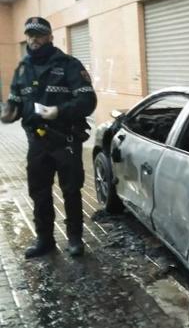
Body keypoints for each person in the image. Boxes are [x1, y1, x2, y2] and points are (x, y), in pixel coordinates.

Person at [0, 17, 96, 258]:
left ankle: (75, 239)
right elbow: (16, 101)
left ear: (50, 37)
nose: (33, 39)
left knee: (71, 191)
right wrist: (9, 113)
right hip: (37, 142)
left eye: (39, 35)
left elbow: (87, 101)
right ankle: (45, 240)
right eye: (30, 35)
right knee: (39, 192)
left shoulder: (69, 65)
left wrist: (59, 111)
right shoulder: (23, 68)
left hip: (66, 140)